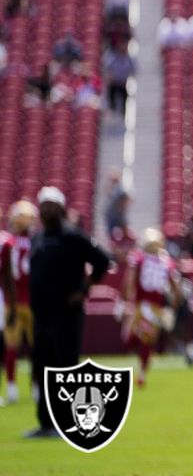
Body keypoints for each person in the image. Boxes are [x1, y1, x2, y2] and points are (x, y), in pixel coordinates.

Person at [26, 187, 112, 437]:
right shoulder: (38, 237)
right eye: (43, 204)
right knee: (42, 368)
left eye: (52, 204)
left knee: (65, 369)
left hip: (66, 313)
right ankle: (45, 423)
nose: (47, 209)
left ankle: (66, 424)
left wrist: (83, 290)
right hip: (41, 315)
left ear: (61, 208)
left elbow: (102, 261)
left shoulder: (73, 236)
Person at [120, 228, 181, 387]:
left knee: (130, 339)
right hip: (155, 309)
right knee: (146, 343)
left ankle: (139, 373)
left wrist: (124, 299)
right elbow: (177, 290)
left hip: (141, 305)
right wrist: (172, 308)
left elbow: (128, 281)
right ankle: (141, 373)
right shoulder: (167, 262)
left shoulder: (139, 258)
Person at [1, 201, 37, 406]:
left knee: (13, 346)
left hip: (13, 302)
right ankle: (35, 387)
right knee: (33, 347)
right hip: (30, 301)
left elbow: (4, 275)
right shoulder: (37, 241)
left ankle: (13, 387)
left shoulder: (8, 243)